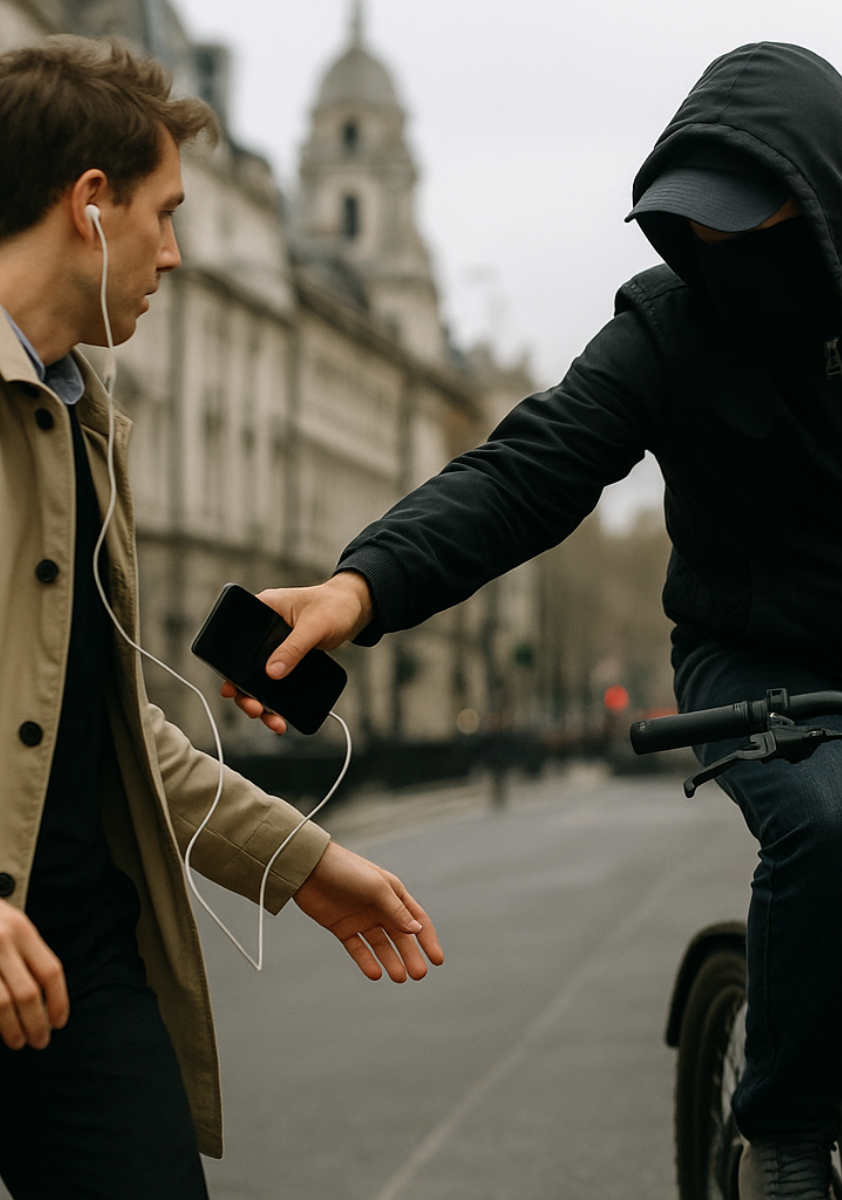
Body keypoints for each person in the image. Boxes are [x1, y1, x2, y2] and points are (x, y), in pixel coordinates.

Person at [227, 43, 842, 1199]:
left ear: (832, 202)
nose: (727, 254)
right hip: (767, 651)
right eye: (703, 230)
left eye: (756, 223)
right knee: (837, 827)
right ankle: (784, 1134)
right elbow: (528, 469)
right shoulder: (671, 324)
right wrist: (361, 588)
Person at [0, 36, 442, 1200]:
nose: (179, 254)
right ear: (91, 207)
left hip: (79, 958)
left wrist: (297, 861)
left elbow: (93, 722)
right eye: (165, 213)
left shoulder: (82, 414)